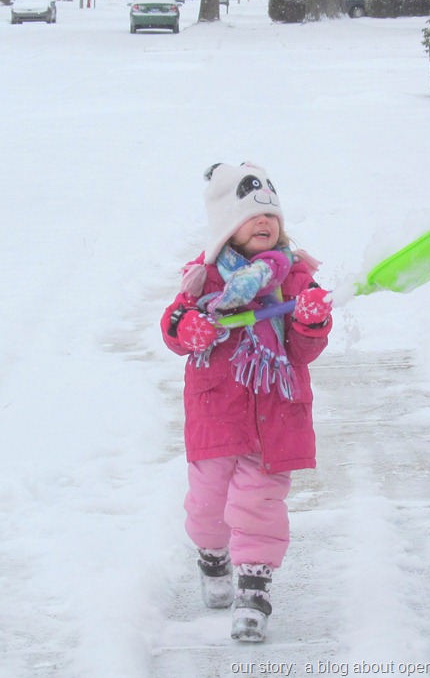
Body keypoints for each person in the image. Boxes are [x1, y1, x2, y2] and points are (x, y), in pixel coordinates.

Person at [160, 162, 332, 642]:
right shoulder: (205, 279)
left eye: (271, 215)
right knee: (208, 508)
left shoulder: (295, 277)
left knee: (258, 503)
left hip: (276, 416)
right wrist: (189, 328)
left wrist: (312, 321)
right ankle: (212, 556)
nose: (265, 222)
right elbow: (173, 326)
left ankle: (254, 593)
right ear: (225, 228)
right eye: (252, 215)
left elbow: (304, 351)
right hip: (217, 417)